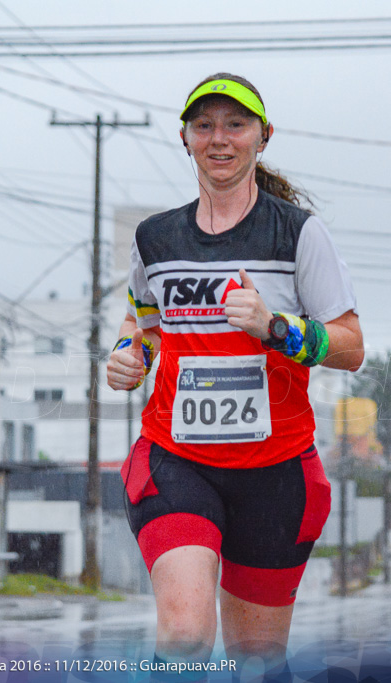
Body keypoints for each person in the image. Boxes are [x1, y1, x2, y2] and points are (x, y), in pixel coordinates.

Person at [106, 73, 363, 674]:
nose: (219, 139)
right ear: (186, 139)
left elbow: (352, 347)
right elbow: (142, 324)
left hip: (275, 472)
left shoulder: (299, 234)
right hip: (177, 458)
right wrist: (130, 357)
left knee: (256, 659)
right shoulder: (155, 237)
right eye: (205, 126)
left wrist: (279, 329)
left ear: (262, 137)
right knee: (186, 633)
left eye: (235, 125)